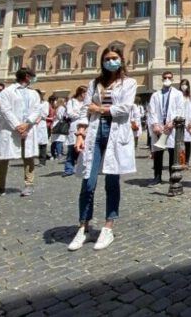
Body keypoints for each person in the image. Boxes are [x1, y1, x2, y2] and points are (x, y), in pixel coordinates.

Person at [68, 46, 139, 251]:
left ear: (121, 60)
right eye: (107, 58)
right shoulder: (94, 83)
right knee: (88, 182)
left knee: (111, 181)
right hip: (94, 131)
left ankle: (108, 226)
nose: (111, 61)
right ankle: (84, 226)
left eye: (114, 58)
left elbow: (124, 108)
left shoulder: (129, 83)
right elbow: (84, 110)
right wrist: (80, 134)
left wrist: (98, 109)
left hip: (115, 132)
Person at [0, 67, 42, 199]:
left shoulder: (33, 93)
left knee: (28, 156)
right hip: (11, 129)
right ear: (27, 76)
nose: (34, 79)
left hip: (28, 128)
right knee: (4, 158)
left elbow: (37, 110)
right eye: (33, 76)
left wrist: (27, 124)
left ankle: (29, 184)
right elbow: (5, 110)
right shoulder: (7, 92)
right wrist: (18, 126)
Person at [146, 71, 184, 186]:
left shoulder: (178, 94)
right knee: (158, 153)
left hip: (171, 127)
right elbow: (151, 111)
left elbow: (180, 109)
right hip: (159, 127)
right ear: (162, 79)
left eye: (169, 77)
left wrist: (172, 122)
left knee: (173, 152)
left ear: (172, 79)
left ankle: (172, 176)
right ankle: (157, 176)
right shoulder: (155, 95)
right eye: (165, 77)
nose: (167, 79)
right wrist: (155, 124)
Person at [163, 78, 191, 175]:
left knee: (187, 143)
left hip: (188, 122)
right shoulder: (177, 95)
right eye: (182, 84)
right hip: (179, 122)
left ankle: (186, 162)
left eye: (186, 84)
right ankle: (181, 161)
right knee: (180, 143)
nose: (184, 86)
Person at [63, 86, 87, 177]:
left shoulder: (86, 103)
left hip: (85, 126)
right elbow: (69, 113)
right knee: (72, 149)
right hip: (75, 126)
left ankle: (83, 168)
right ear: (81, 93)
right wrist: (81, 115)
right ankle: (69, 169)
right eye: (85, 93)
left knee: (84, 148)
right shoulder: (72, 102)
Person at [50, 96, 68, 162]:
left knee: (54, 141)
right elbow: (61, 117)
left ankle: (53, 155)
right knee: (59, 141)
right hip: (59, 125)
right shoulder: (62, 108)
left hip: (55, 124)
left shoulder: (57, 108)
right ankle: (59, 155)